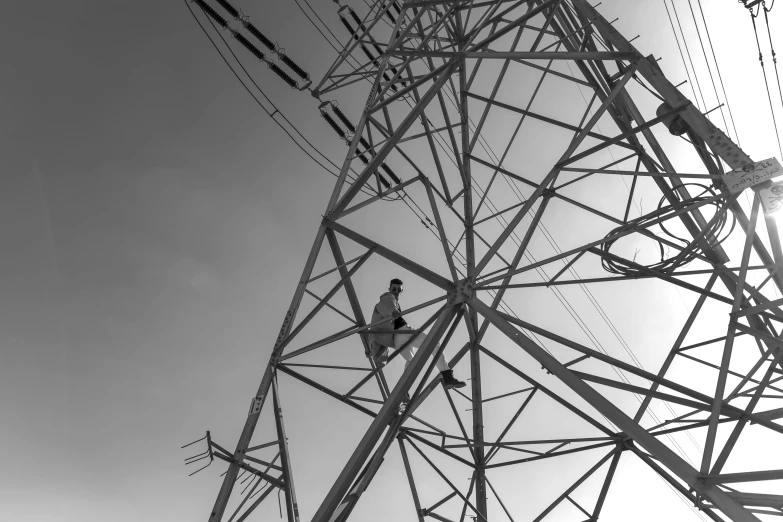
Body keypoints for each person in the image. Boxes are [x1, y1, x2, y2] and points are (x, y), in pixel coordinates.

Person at [368, 278, 466, 389]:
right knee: (433, 344)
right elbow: (389, 304)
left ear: (401, 291)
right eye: (394, 288)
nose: (395, 291)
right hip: (403, 331)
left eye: (398, 289)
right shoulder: (388, 297)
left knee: (412, 361)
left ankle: (403, 390)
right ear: (389, 289)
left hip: (396, 340)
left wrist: (369, 349)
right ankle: (448, 377)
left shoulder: (392, 302)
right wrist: (393, 311)